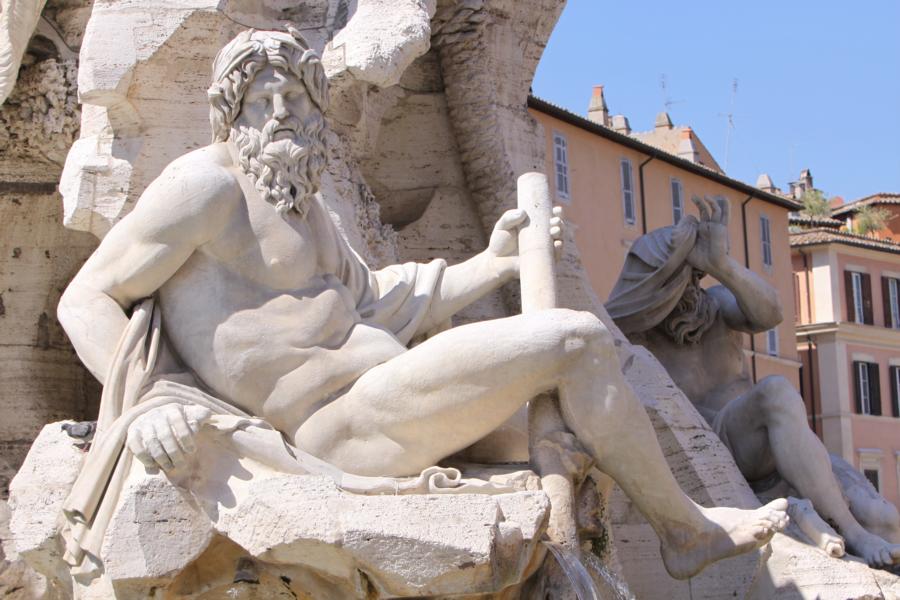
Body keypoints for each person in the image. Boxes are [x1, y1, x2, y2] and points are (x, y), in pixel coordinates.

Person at [58, 28, 787, 580]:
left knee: (584, 410)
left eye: (296, 97)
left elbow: (384, 299)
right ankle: (685, 533)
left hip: (385, 395)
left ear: (316, 111)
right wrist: (150, 402)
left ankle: (610, 545)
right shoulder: (205, 187)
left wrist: (494, 262)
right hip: (332, 425)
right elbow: (85, 298)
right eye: (261, 98)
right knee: (574, 342)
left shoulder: (305, 207)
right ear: (231, 112)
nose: (281, 112)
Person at [607, 195, 900, 567]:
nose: (691, 289)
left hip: (782, 444)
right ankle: (852, 533)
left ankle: (848, 529)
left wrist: (723, 265)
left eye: (695, 277)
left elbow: (771, 313)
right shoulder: (636, 338)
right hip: (724, 447)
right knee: (776, 391)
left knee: (885, 518)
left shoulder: (715, 307)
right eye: (681, 278)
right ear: (656, 288)